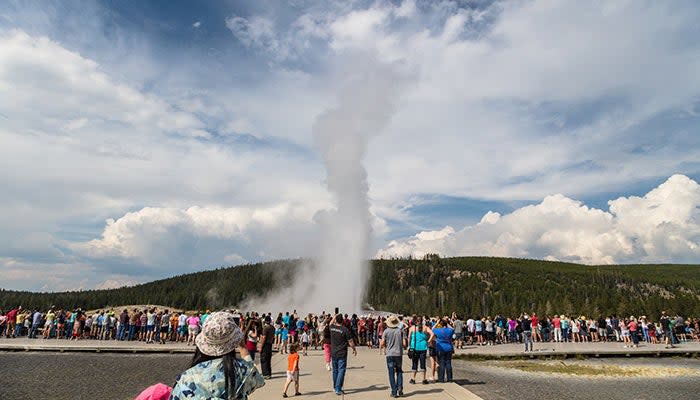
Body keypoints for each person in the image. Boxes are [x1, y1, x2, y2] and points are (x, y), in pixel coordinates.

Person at [170, 311, 264, 400]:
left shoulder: (186, 378)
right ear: (235, 341)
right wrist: (243, 348)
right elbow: (258, 380)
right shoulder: (242, 370)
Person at [330, 313, 357, 396]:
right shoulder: (345, 330)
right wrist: (354, 349)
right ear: (342, 321)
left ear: (336, 320)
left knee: (335, 371)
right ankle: (338, 388)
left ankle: (335, 387)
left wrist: (334, 316)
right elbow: (350, 341)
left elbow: (330, 323)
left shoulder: (332, 328)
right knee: (341, 370)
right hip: (342, 353)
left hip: (334, 352)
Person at [381, 315, 406, 398]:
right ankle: (400, 388)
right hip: (398, 354)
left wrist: (385, 346)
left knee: (391, 373)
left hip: (390, 354)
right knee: (399, 371)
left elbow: (382, 343)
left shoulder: (386, 331)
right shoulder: (400, 331)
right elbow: (404, 344)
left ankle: (394, 392)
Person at [407, 316, 433, 385]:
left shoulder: (412, 328)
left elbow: (409, 337)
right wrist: (428, 341)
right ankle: (424, 379)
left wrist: (409, 345)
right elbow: (432, 334)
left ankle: (413, 379)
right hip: (423, 348)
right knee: (423, 363)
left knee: (414, 363)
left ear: (416, 321)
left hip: (414, 348)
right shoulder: (425, 327)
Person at [432, 318, 454, 383]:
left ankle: (441, 378)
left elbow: (432, 329)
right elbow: (452, 328)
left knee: (441, 363)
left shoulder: (438, 330)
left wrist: (437, 323)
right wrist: (447, 322)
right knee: (448, 363)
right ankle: (449, 379)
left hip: (440, 348)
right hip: (449, 348)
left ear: (440, 324)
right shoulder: (449, 330)